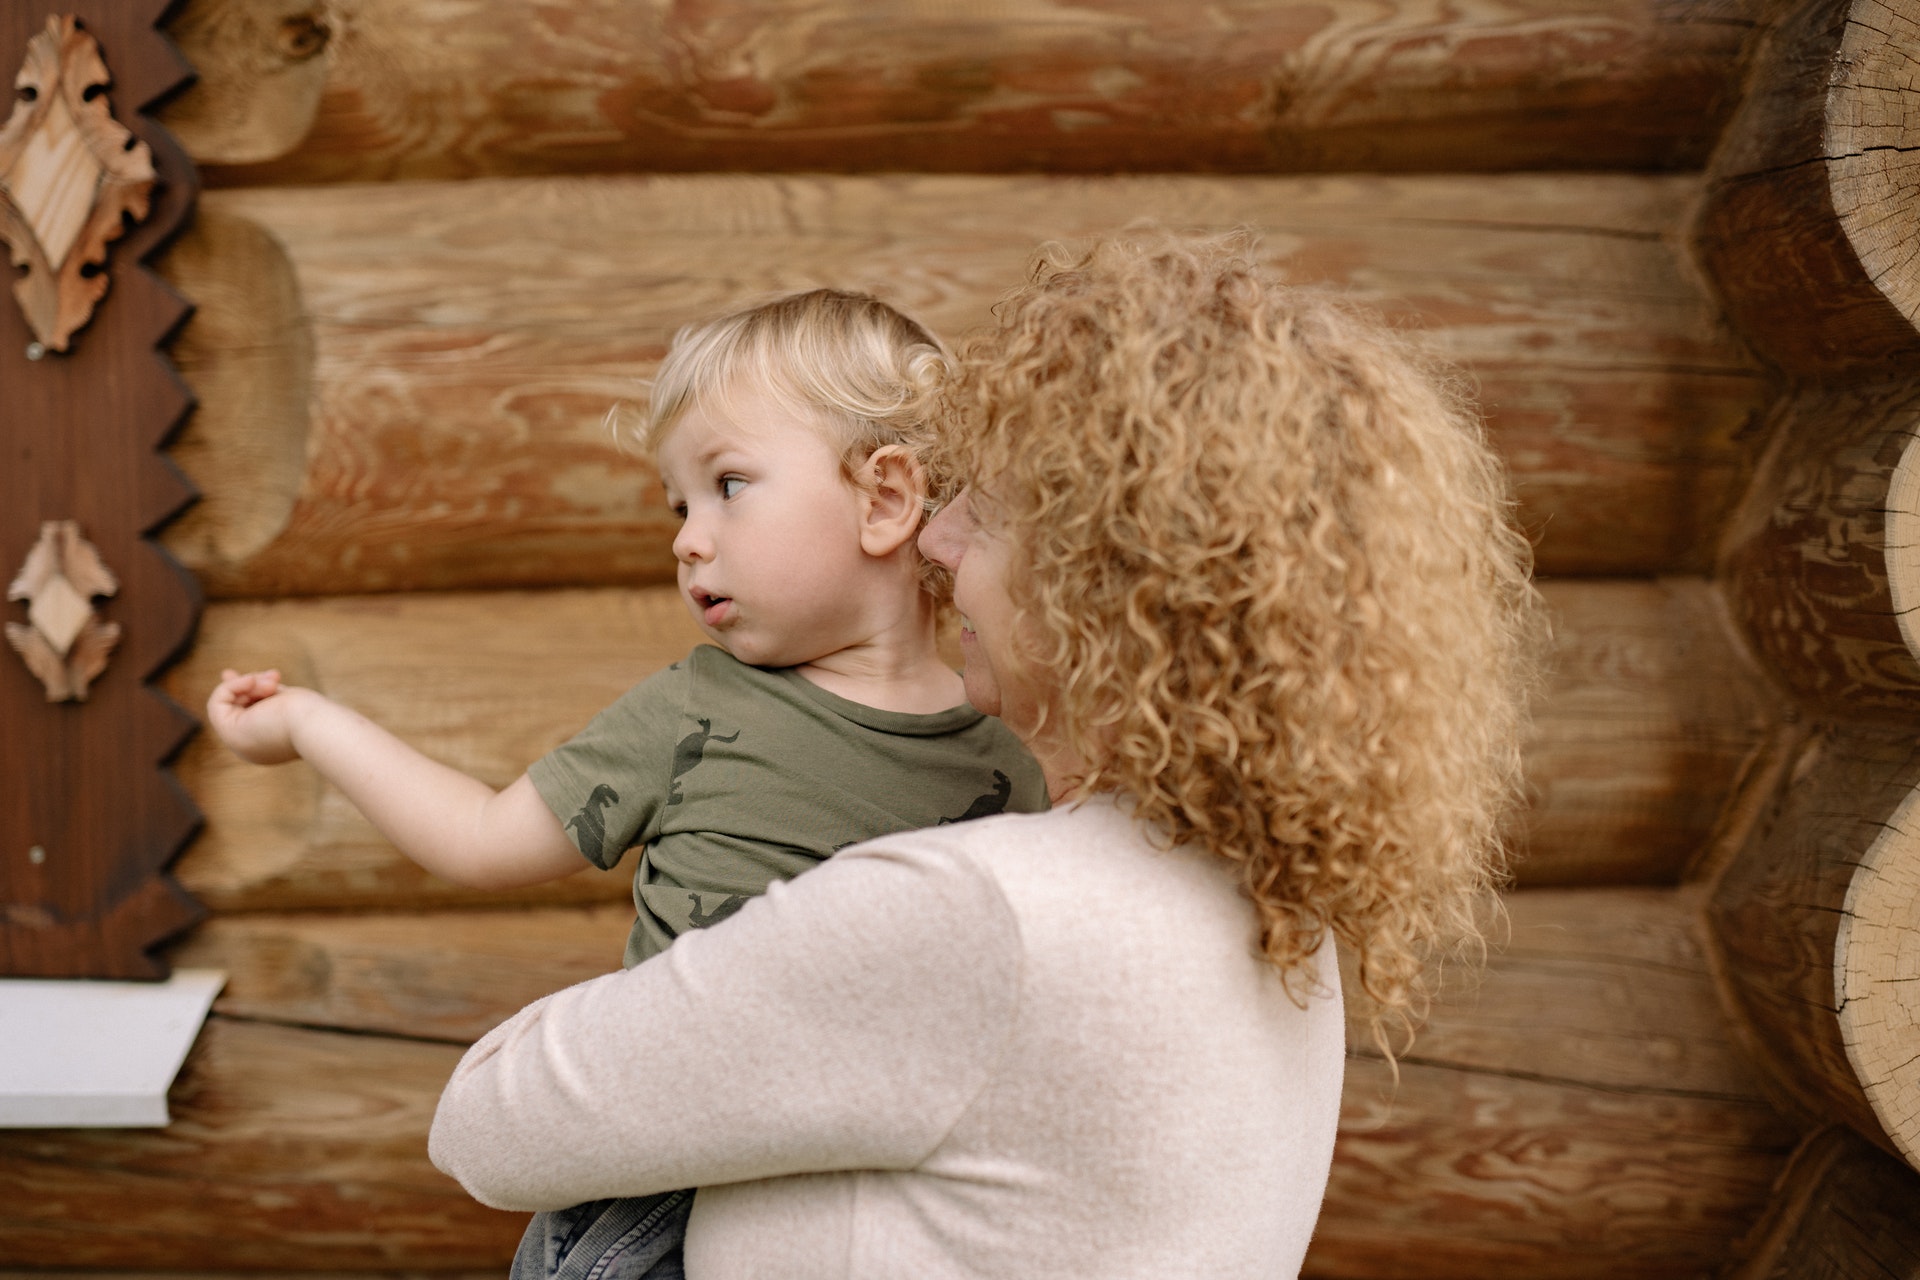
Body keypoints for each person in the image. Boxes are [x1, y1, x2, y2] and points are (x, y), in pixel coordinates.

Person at [427, 231, 1541, 1279]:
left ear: (1108, 580)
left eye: (993, 512)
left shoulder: (980, 914)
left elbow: (489, 1121)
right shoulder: (1273, 904)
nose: (941, 540)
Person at [205, 289, 1048, 1280]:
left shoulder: (1009, 753)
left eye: (729, 483)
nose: (688, 537)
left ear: (885, 499)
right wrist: (311, 722)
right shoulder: (693, 711)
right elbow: (480, 836)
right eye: (678, 504)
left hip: (877, 1194)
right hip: (657, 1197)